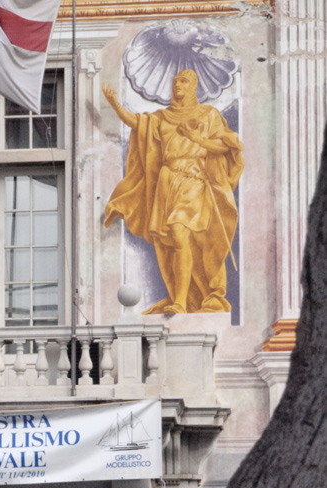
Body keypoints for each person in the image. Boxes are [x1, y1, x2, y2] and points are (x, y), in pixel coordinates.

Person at [103, 68, 243, 316]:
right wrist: (116, 106)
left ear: (193, 87)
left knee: (182, 235)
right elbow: (137, 123)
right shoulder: (162, 118)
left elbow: (226, 145)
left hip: (195, 181)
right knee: (174, 241)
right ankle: (181, 299)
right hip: (168, 181)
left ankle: (193, 297)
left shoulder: (208, 115)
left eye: (184, 82)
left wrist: (198, 140)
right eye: (176, 81)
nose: (178, 86)